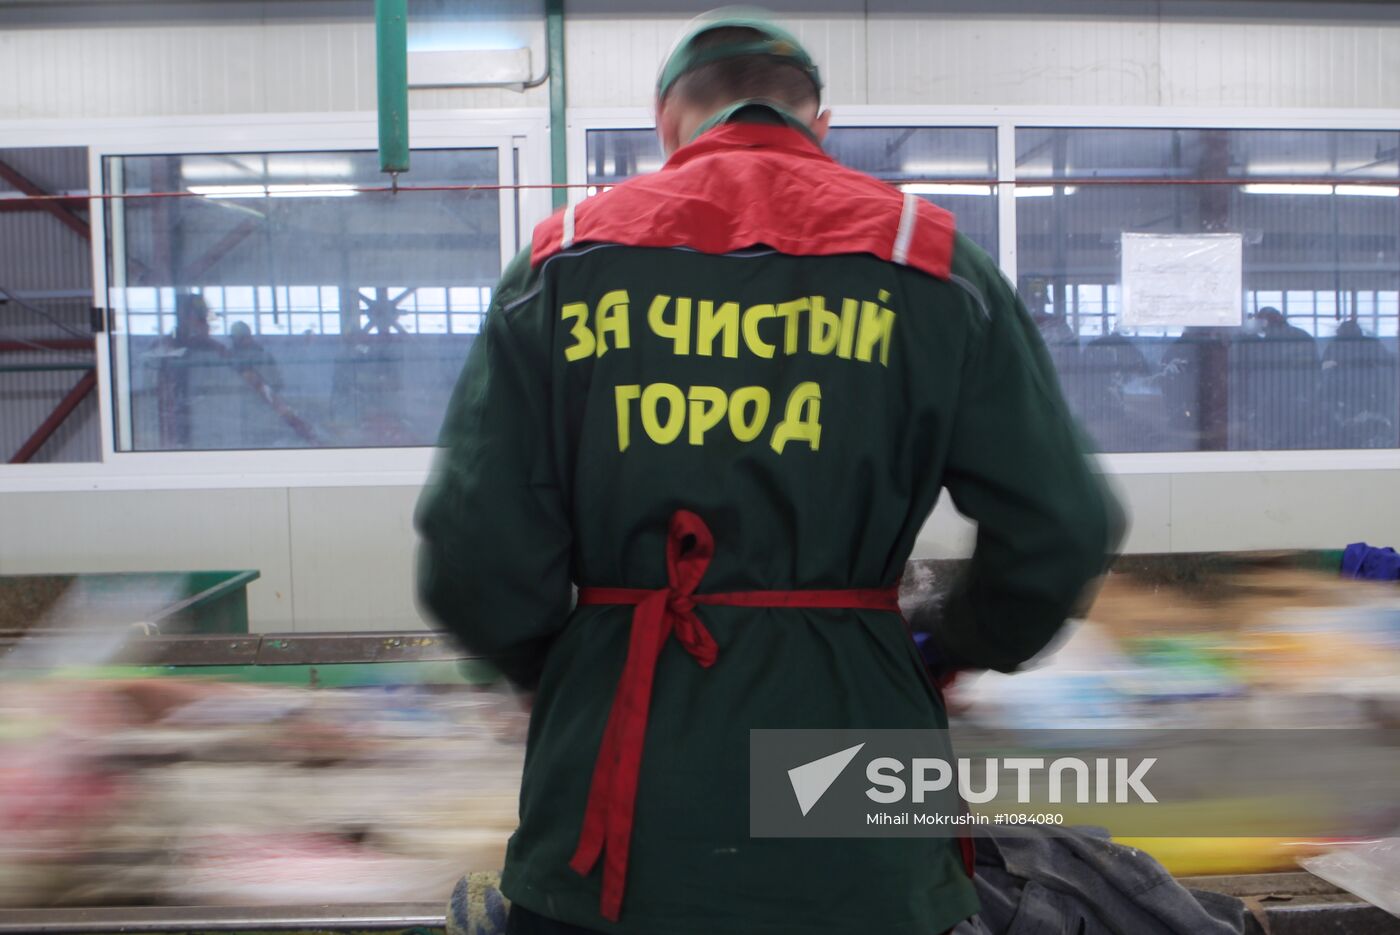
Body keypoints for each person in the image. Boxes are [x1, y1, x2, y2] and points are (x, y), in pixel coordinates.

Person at [416, 11, 1122, 935]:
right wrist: (953, 645)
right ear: (818, 124)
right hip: (847, 776)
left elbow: (475, 550)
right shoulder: (933, 262)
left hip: (622, 791)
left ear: (669, 123)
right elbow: (1061, 527)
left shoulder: (563, 260)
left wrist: (563, 666)